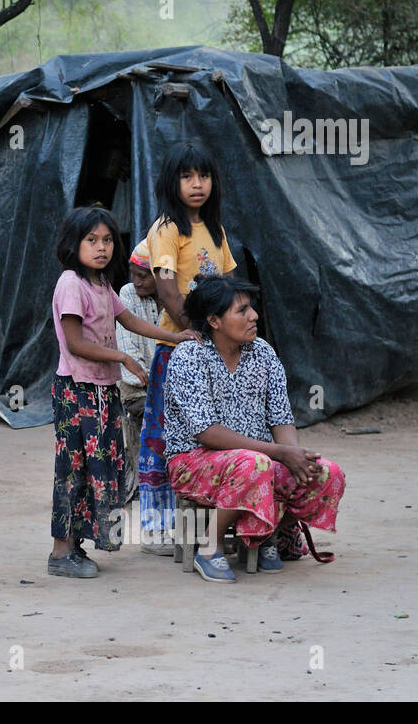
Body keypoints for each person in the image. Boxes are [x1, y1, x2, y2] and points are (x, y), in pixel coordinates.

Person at [163, 276, 346, 583]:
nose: (254, 316)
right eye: (242, 310)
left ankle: (270, 535)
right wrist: (278, 452)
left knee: (326, 474)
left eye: (252, 308)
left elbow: (281, 417)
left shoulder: (262, 352)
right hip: (193, 461)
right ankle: (209, 547)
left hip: (256, 460)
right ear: (214, 321)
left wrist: (294, 455)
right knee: (254, 464)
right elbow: (206, 432)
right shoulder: (188, 357)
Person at [47, 207, 197, 579]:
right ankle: (60, 552)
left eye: (108, 240)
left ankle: (76, 547)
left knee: (100, 470)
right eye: (92, 240)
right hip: (76, 393)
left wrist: (175, 335)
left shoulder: (101, 285)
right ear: (73, 244)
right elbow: (76, 343)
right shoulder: (71, 284)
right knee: (73, 471)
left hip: (101, 392)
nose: (101, 248)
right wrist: (124, 358)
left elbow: (128, 320)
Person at [137, 144, 237, 554]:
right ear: (171, 182)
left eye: (204, 176)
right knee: (166, 437)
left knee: (213, 435)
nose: (197, 185)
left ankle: (211, 523)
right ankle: (157, 530)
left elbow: (230, 284)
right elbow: (165, 288)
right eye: (187, 176)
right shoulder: (166, 228)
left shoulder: (216, 231)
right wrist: (195, 332)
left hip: (216, 347)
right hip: (177, 349)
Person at [114, 240, 160, 518]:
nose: (137, 281)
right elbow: (129, 353)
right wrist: (156, 383)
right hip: (137, 390)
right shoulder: (127, 294)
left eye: (144, 275)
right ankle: (147, 485)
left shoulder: (174, 298)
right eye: (134, 274)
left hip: (164, 390)